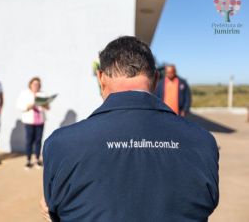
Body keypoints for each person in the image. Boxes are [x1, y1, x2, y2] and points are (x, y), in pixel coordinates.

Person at [41, 36, 219, 221]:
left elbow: (56, 209)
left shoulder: (61, 144)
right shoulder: (202, 141)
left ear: (100, 78)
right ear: (156, 79)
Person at [17, 77, 49, 170]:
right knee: (29, 140)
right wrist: (28, 106)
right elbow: (19, 105)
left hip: (40, 121)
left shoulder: (42, 94)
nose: (36, 86)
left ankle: (37, 159)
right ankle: (28, 160)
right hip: (29, 121)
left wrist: (44, 104)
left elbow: (47, 108)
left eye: (38, 84)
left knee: (38, 140)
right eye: (34, 84)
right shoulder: (24, 94)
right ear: (30, 84)